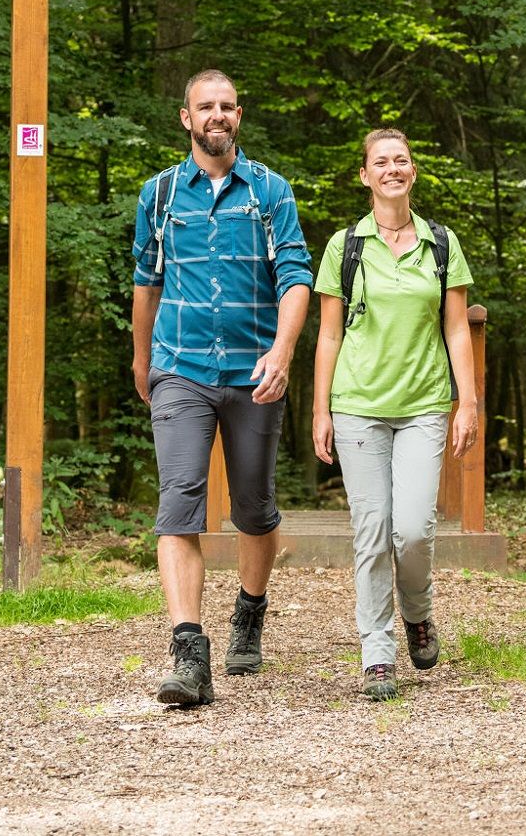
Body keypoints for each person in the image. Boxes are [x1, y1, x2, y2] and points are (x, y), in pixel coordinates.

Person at [132, 69, 312, 708]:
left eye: (227, 106)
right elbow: (146, 280)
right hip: (179, 368)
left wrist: (284, 351)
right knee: (178, 501)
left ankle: (250, 612)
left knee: (253, 510)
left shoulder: (269, 193)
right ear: (186, 118)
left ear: (240, 115)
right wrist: (141, 358)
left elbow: (295, 277)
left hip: (253, 374)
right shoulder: (158, 196)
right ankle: (188, 651)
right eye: (204, 106)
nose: (216, 115)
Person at [312, 127, 477, 701]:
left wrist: (468, 402)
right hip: (357, 405)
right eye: (380, 162)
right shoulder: (344, 246)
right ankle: (378, 652)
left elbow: (456, 329)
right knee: (372, 530)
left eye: (400, 160)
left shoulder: (441, 241)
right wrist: (320, 409)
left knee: (411, 529)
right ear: (365, 175)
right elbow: (328, 335)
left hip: (425, 404)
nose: (392, 169)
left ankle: (418, 609)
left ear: (413, 171)